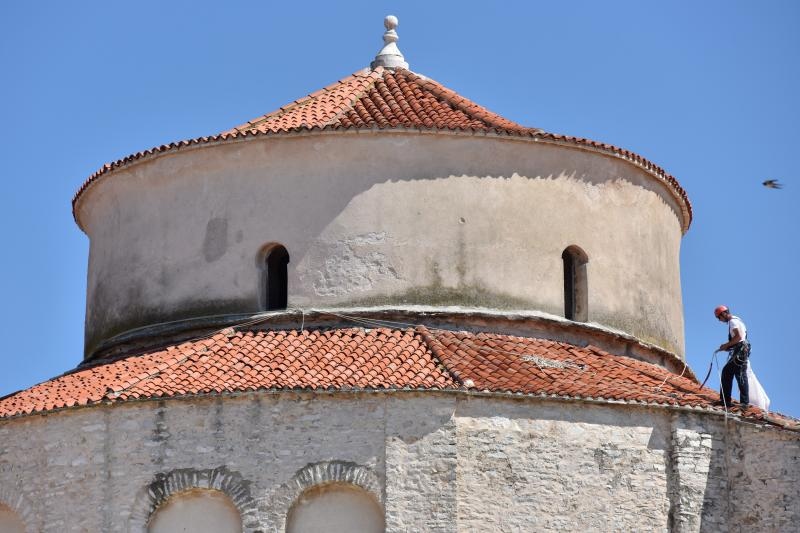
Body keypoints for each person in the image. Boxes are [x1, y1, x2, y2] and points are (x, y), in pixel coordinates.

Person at [714, 305, 750, 410]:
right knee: (736, 373)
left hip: (740, 350)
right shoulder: (737, 320)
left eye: (718, 317)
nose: (719, 320)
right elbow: (740, 339)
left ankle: (735, 402)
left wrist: (726, 345)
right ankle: (733, 401)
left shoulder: (733, 322)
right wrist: (728, 347)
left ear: (723, 314)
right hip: (741, 349)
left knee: (733, 373)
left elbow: (738, 337)